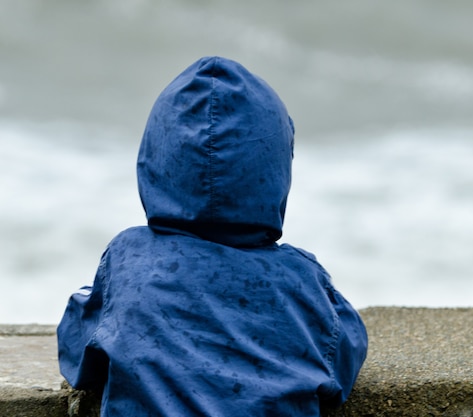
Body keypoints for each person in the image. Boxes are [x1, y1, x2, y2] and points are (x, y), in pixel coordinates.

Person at [57, 56, 368, 416]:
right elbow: (344, 355)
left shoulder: (129, 261)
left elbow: (78, 350)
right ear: (276, 165)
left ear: (156, 158)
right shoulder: (301, 279)